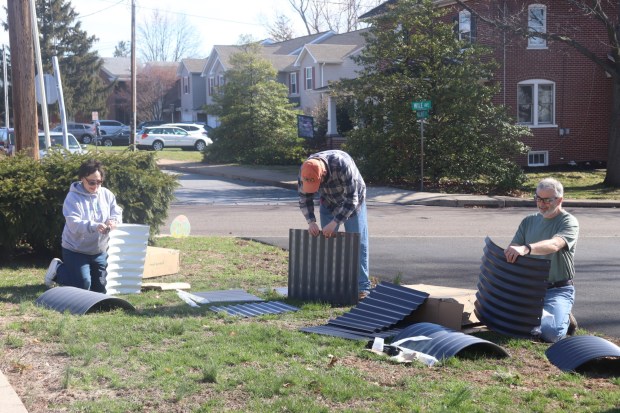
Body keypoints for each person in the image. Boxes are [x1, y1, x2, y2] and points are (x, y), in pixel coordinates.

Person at [504, 178, 579, 342]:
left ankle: (564, 317)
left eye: (547, 200)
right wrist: (513, 249)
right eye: (538, 198)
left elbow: (554, 244)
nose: (541, 204)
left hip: (557, 289)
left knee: (550, 334)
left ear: (559, 200)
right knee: (503, 322)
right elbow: (514, 245)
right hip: (530, 288)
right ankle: (550, 313)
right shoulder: (528, 221)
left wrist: (526, 248)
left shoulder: (568, 222)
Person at [298, 150, 371, 299]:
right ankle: (331, 286)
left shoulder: (342, 164)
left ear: (323, 174)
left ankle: (361, 287)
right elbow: (304, 199)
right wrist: (311, 222)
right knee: (328, 243)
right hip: (329, 201)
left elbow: (352, 200)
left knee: (357, 242)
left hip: (352, 200)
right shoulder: (305, 169)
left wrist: (335, 222)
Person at [45, 159, 123, 293]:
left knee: (101, 289)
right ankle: (58, 269)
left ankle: (83, 275)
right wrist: (94, 226)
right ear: (82, 179)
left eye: (99, 182)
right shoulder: (72, 197)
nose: (96, 186)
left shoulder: (107, 194)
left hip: (99, 251)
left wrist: (113, 221)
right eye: (92, 182)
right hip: (75, 250)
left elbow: (116, 211)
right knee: (83, 285)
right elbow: (74, 224)